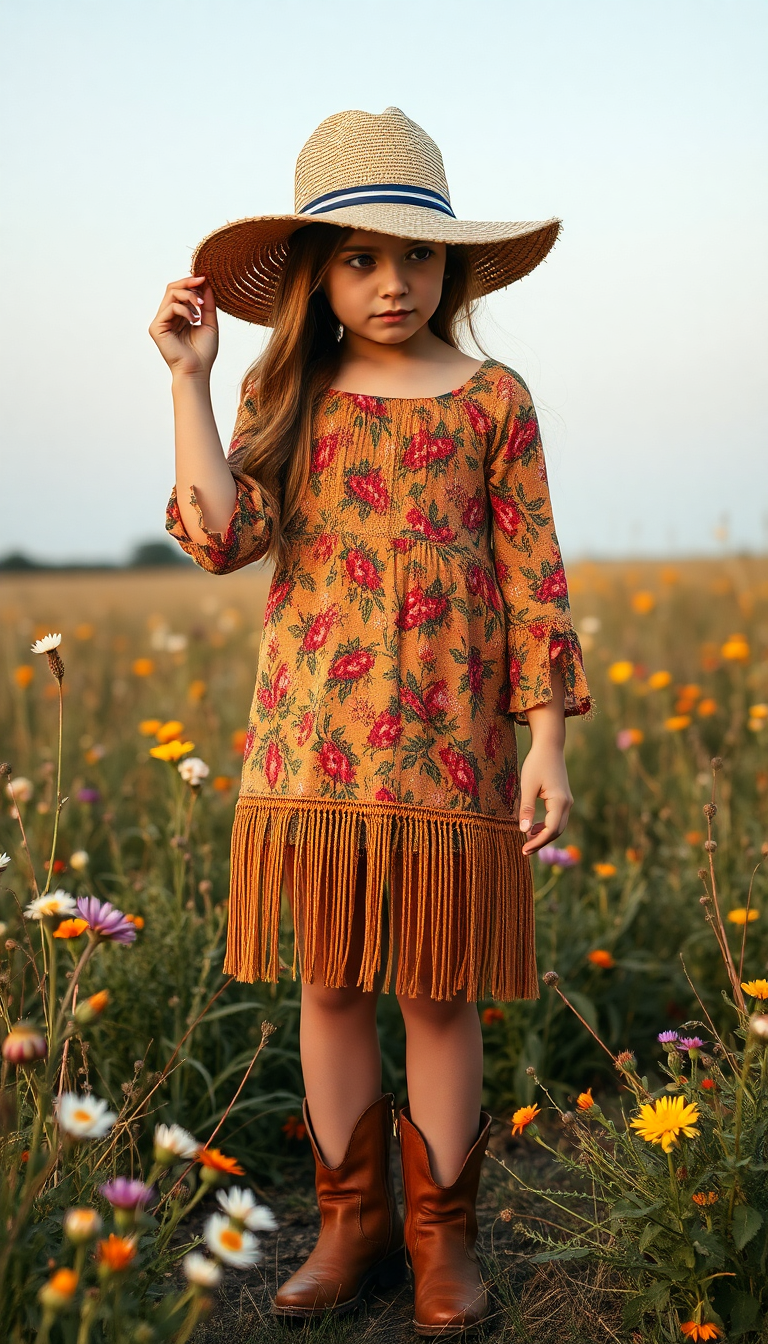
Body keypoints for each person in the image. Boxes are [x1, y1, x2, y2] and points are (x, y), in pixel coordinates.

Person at [149, 106, 592, 1336]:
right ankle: (351, 1228)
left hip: (457, 752)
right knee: (333, 984)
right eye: (358, 257)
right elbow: (219, 538)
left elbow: (535, 579)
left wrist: (547, 739)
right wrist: (189, 382)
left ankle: (445, 1243)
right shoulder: (286, 384)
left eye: (416, 256)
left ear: (451, 266)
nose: (392, 282)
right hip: (310, 745)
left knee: (439, 994)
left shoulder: (495, 398)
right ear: (315, 275)